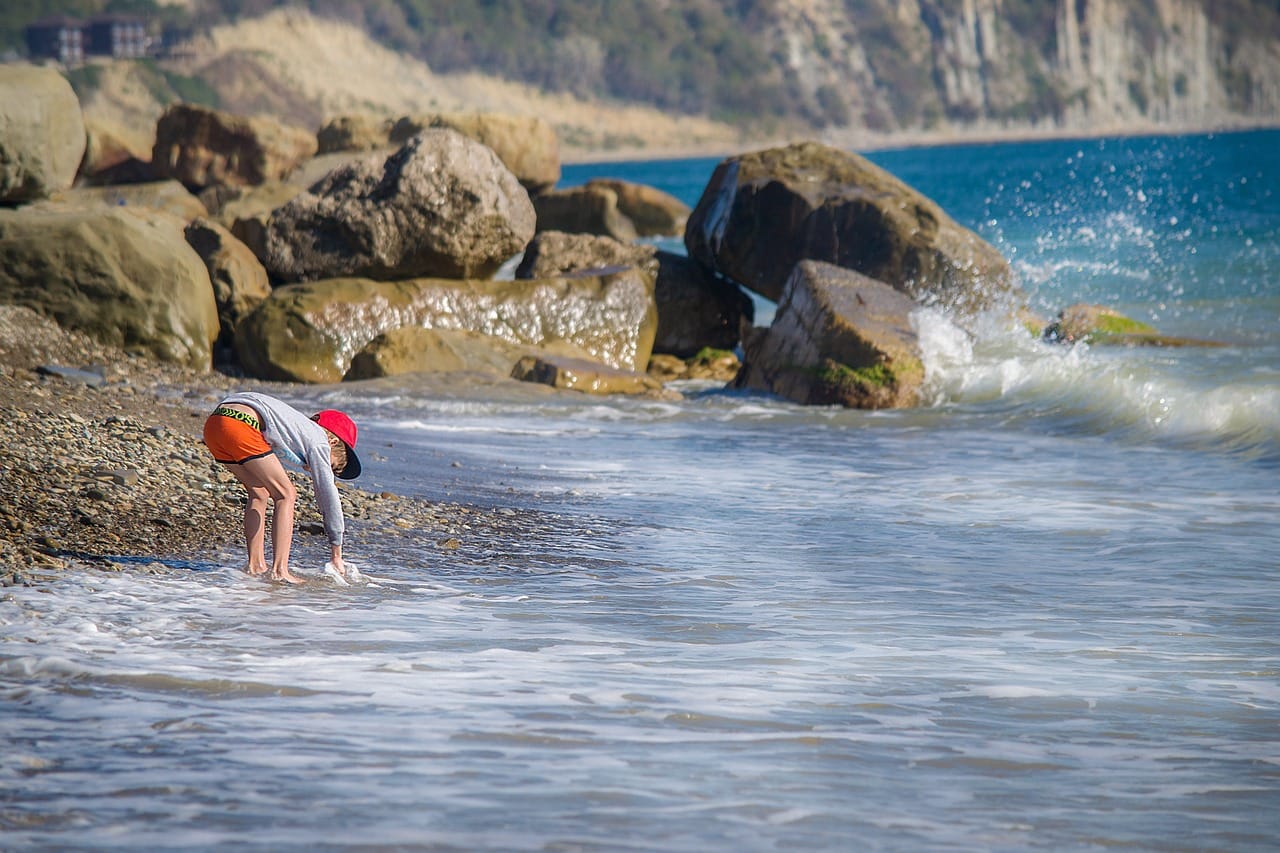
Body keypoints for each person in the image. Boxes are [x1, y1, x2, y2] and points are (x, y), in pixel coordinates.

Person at [202, 391, 362, 584]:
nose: (325, 469)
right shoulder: (320, 441)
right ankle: (280, 570)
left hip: (215, 424)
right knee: (286, 494)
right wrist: (337, 551)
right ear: (333, 441)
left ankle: (255, 566)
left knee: (259, 492)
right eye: (332, 465)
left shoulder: (293, 427)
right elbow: (328, 495)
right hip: (242, 424)